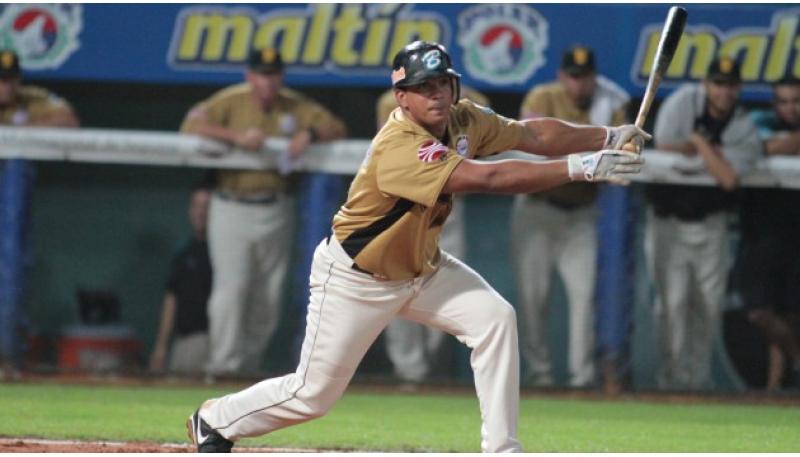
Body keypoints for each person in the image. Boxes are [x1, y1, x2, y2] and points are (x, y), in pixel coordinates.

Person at [186, 40, 646, 453]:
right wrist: (582, 166)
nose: (437, 94)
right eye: (424, 87)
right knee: (313, 395)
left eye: (443, 83)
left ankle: (503, 450)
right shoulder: (400, 145)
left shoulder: (463, 118)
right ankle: (215, 419)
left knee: (495, 318)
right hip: (356, 278)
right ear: (401, 97)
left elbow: (534, 134)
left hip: (422, 270)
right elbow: (489, 177)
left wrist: (606, 136)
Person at [179, 48, 346, 379]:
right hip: (232, 204)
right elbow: (190, 126)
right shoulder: (231, 100)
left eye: (273, 75)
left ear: (281, 77)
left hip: (277, 205)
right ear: (249, 75)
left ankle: (247, 366)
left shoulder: (295, 106)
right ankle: (223, 366)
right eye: (261, 74)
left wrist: (308, 134)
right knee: (231, 288)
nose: (267, 82)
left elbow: (336, 128)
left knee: (268, 295)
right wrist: (237, 137)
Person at [511, 45, 631, 389]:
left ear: (594, 77)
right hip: (536, 211)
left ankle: (582, 378)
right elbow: (534, 146)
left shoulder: (613, 101)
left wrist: (581, 147)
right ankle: (540, 375)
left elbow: (620, 153)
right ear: (563, 76)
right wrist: (590, 147)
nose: (580, 84)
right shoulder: (542, 96)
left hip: (580, 215)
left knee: (584, 296)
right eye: (573, 77)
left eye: (586, 77)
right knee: (533, 297)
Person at [645, 57, 762, 392]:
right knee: (671, 304)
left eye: (729, 85)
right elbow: (665, 144)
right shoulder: (683, 102)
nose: (723, 91)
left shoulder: (741, 124)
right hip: (667, 220)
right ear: (706, 84)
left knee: (708, 305)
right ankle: (671, 379)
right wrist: (714, 154)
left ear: (738, 88)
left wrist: (698, 143)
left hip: (711, 224)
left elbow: (727, 179)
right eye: (717, 83)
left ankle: (696, 381)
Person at [375, 85, 492, 388]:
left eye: (442, 78)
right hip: (405, 212)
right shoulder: (392, 103)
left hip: (448, 209)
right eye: (427, 80)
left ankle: (429, 368)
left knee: (448, 295)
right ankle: (409, 371)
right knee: (397, 295)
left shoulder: (471, 102)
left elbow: (485, 140)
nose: (435, 88)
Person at [0, 49, 79, 380]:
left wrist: (21, 128)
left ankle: (6, 358)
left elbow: (69, 121)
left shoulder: (30, 100)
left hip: (12, 195)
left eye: (11, 80)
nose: (6, 87)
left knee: (10, 270)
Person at [738, 74, 800, 391]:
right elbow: (768, 147)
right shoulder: (759, 119)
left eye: (796, 101)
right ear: (774, 103)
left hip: (795, 233)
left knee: (789, 314)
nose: (791, 108)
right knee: (760, 313)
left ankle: (774, 388)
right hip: (761, 232)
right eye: (784, 101)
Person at [149, 187, 213, 375]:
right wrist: (161, 346)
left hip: (208, 340)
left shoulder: (221, 253)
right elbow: (171, 298)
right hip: (182, 340)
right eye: (196, 206)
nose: (201, 213)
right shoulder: (184, 252)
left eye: (207, 207)